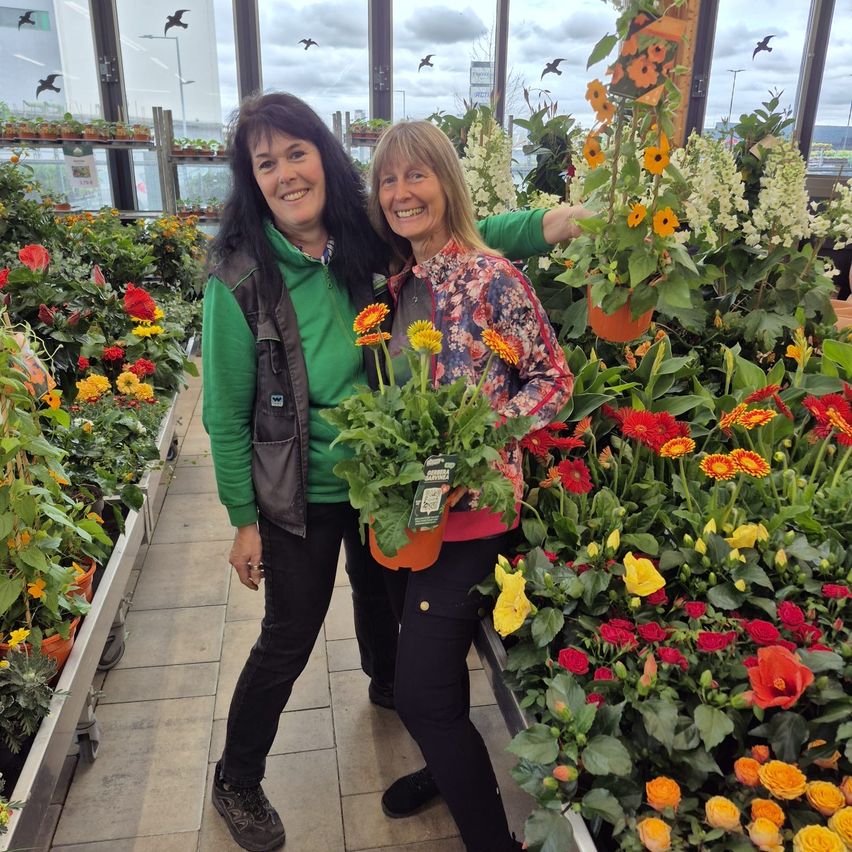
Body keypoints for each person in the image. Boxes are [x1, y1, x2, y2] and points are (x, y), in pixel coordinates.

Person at [201, 92, 587, 852]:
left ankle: (410, 704)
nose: (285, 174)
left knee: (390, 617)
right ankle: (238, 778)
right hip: (303, 492)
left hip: (393, 489)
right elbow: (223, 411)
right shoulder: (241, 276)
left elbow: (455, 232)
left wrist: (552, 224)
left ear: (324, 159)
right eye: (265, 162)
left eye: (297, 154)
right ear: (253, 180)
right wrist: (242, 516)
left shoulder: (364, 245)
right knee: (290, 633)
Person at [367, 120, 575, 852]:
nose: (401, 193)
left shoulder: (494, 277)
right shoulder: (401, 284)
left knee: (421, 694)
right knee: (424, 668)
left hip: (476, 519)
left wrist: (486, 438)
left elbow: (554, 379)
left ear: (446, 183)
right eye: (388, 180)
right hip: (413, 514)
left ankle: (494, 840)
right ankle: (443, 768)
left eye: (416, 175)